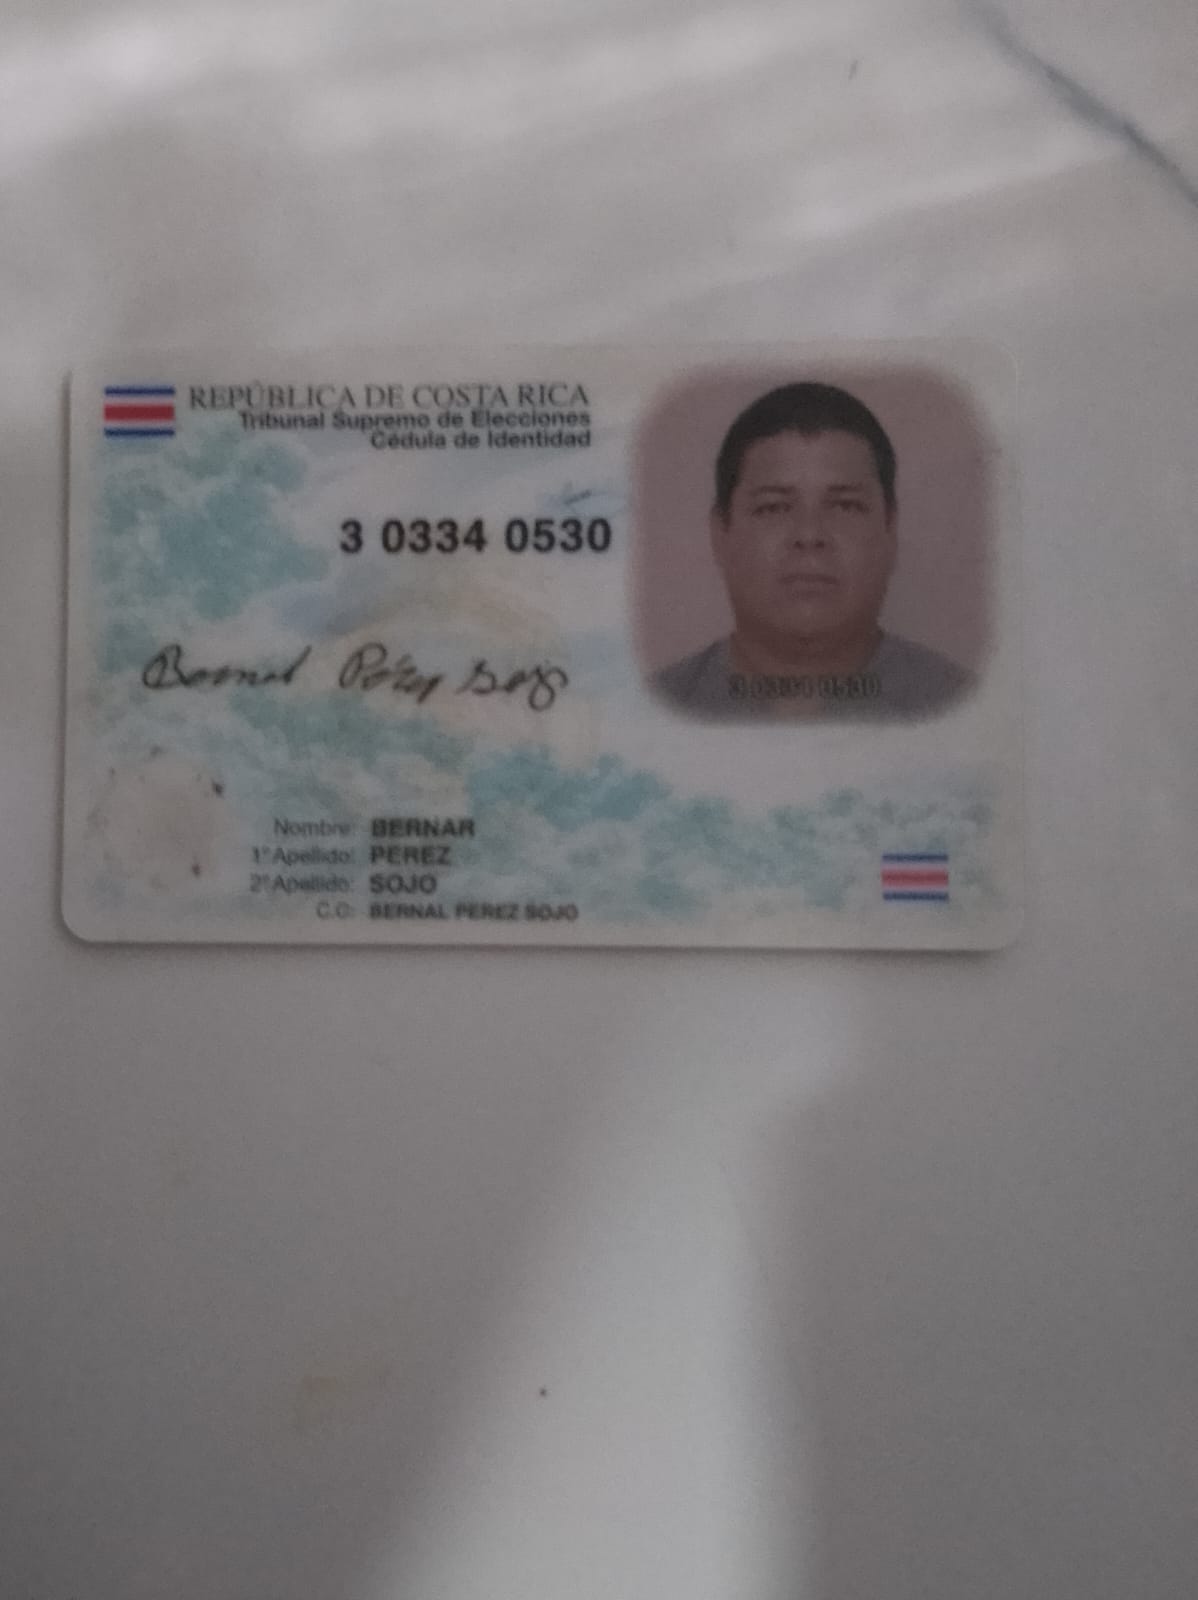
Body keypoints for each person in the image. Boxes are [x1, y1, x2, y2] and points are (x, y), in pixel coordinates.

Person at [654, 382, 973, 719]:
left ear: (890, 529)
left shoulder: (964, 709)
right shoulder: (653, 712)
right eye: (774, 507)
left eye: (845, 506)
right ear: (720, 533)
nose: (809, 535)